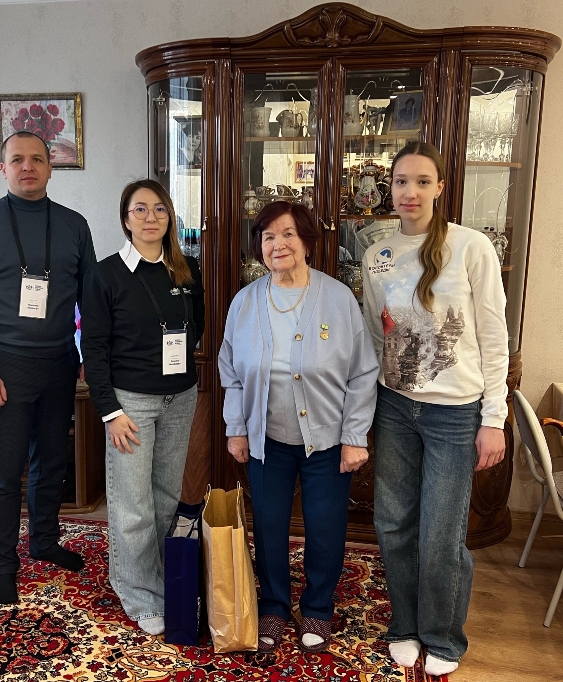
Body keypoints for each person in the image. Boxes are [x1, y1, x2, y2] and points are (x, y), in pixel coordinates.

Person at [361, 142, 508, 677]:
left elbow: (493, 335)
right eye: (402, 181)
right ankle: (404, 625)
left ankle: (442, 635)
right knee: (393, 523)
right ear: (390, 187)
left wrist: (494, 418)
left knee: (442, 534)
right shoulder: (377, 254)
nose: (411, 192)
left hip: (455, 413)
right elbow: (372, 337)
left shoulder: (471, 247)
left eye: (423, 181)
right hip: (394, 407)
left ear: (441, 188)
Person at [218, 201, 378, 653]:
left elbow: (363, 372)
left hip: (326, 439)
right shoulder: (245, 302)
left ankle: (318, 609)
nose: (278, 244)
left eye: (288, 234)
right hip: (266, 439)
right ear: (259, 247)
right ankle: (273, 605)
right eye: (268, 236)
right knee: (269, 525)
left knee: (324, 527)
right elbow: (230, 371)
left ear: (307, 241)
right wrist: (236, 428)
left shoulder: (338, 298)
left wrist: (354, 436)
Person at [0, 131, 96, 605]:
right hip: (4, 367)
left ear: (51, 167)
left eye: (36, 159)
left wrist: (88, 357)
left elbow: (91, 299)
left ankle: (44, 541)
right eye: (17, 159)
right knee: (4, 469)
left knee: (52, 460)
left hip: (59, 361)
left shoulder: (74, 225)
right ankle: (2, 565)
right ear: (3, 168)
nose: (27, 167)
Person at [80, 179, 204, 636]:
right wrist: (110, 411)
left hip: (180, 398)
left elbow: (196, 327)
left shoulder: (186, 270)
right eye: (140, 210)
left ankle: (161, 579)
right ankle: (137, 591)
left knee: (166, 497)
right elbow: (93, 349)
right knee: (132, 503)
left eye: (159, 209)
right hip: (130, 404)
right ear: (125, 219)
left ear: (170, 217)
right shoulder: (105, 275)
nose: (151, 218)